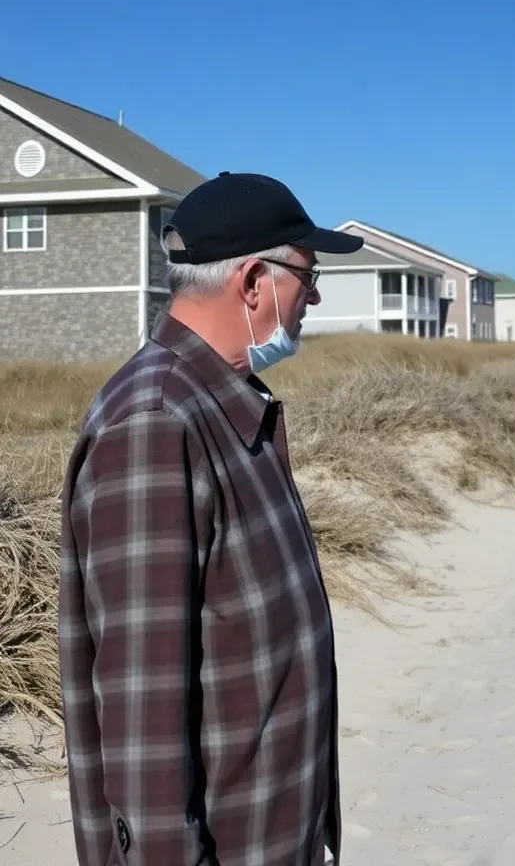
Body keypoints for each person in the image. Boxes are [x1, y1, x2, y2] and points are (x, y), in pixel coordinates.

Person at [59, 172, 364, 866]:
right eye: (306, 275)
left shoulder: (225, 404)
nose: (313, 296)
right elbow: (142, 715)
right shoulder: (156, 421)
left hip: (276, 833)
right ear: (253, 281)